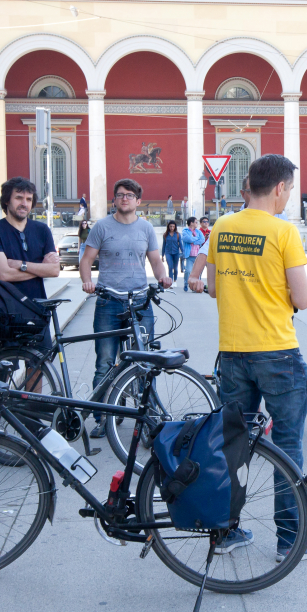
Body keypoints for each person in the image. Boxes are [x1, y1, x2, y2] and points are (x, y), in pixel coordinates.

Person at [206, 153, 307, 561]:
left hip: (232, 352)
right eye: (290, 189)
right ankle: (290, 541)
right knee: (287, 445)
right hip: (277, 353)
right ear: (279, 188)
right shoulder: (283, 232)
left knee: (232, 444)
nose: (289, 196)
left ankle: (225, 532)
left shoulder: (221, 226)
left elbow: (211, 288)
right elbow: (304, 299)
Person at [79, 178, 172, 438]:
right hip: (108, 301)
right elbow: (86, 259)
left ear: (138, 201)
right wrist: (87, 281)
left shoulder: (146, 228)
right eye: (120, 195)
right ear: (114, 200)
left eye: (130, 195)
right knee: (105, 363)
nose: (124, 198)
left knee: (145, 363)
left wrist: (162, 277)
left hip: (140, 302)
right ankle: (103, 418)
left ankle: (148, 421)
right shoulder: (101, 227)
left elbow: (155, 261)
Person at [0, 177, 60, 353]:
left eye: (29, 199)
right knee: (5, 368)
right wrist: (40, 269)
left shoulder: (42, 230)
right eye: (19, 198)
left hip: (37, 307)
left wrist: (20, 264)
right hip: (6, 309)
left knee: (39, 366)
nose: (24, 203)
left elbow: (54, 270)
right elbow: (4, 275)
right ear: (7, 200)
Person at [180, 217, 205, 292]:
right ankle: (186, 283)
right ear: (191, 223)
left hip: (198, 255)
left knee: (198, 272)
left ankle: (196, 287)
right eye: (196, 222)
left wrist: (194, 240)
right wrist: (196, 239)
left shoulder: (198, 232)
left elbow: (202, 240)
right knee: (188, 271)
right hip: (189, 255)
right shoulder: (185, 231)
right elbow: (188, 239)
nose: (197, 223)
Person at [161, 220, 182, 287]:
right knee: (170, 267)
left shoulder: (178, 234)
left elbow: (180, 244)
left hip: (176, 253)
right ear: (168, 227)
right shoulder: (165, 235)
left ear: (175, 227)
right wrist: (162, 255)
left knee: (175, 268)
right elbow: (164, 245)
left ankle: (175, 281)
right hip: (168, 253)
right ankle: (170, 281)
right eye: (170, 226)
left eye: (173, 226)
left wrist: (183, 252)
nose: (172, 228)